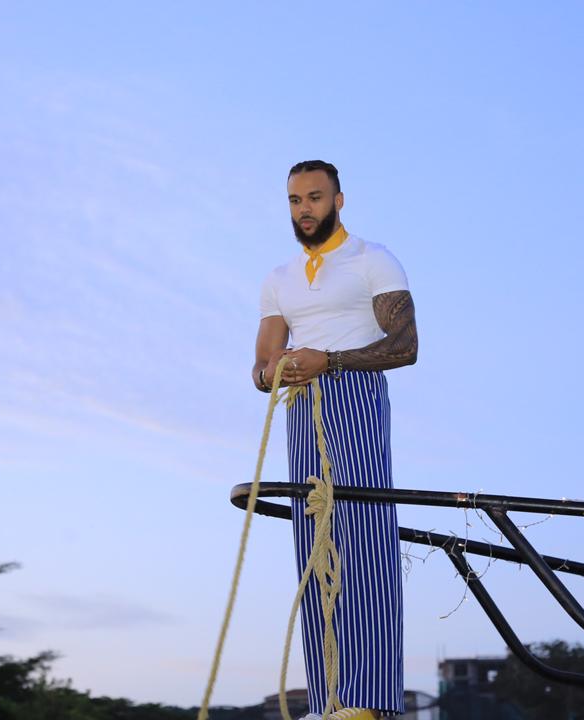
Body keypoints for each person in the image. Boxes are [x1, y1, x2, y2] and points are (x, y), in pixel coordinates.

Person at [252, 160, 418, 720]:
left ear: (339, 200)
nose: (305, 209)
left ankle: (368, 702)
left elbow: (405, 345)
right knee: (314, 546)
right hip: (302, 405)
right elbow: (261, 367)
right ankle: (331, 700)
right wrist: (277, 369)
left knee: (364, 538)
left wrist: (330, 359)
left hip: (355, 394)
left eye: (315, 197)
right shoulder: (278, 278)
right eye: (295, 200)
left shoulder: (372, 259)